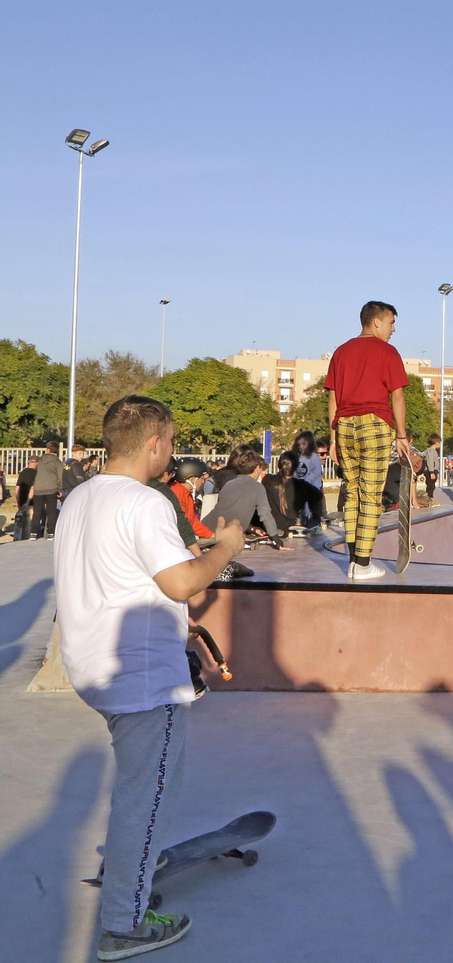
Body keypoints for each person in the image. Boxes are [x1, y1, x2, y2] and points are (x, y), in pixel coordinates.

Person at [55, 395, 246, 961]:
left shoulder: (82, 496)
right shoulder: (146, 502)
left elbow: (117, 571)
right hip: (142, 684)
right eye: (173, 440)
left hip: (93, 666)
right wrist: (228, 550)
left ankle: (123, 864)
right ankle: (124, 924)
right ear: (157, 443)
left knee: (137, 784)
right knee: (150, 796)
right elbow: (184, 582)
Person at [326, 300, 409, 581]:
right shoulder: (387, 351)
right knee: (372, 495)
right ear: (377, 321)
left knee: (352, 493)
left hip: (345, 425)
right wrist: (401, 435)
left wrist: (334, 438)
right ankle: (362, 565)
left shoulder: (341, 351)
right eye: (391, 322)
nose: (393, 329)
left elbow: (333, 398)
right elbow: (397, 395)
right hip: (374, 423)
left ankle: (353, 561)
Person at [203, 452, 283, 541]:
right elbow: (265, 514)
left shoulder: (229, 484)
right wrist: (275, 538)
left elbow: (229, 512)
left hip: (207, 527)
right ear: (257, 468)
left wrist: (251, 528)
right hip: (223, 534)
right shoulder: (257, 487)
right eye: (261, 468)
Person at [290, 431, 325, 529]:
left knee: (312, 510)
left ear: (309, 443)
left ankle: (314, 525)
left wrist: (305, 482)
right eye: (299, 444)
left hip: (312, 490)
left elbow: (316, 473)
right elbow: (294, 471)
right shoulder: (297, 457)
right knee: (300, 510)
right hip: (300, 489)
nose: (301, 447)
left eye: (304, 444)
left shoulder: (314, 458)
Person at [31, 439, 65, 540]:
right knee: (51, 511)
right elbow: (60, 476)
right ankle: (50, 533)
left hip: (39, 488)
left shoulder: (40, 460)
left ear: (47, 449)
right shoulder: (57, 462)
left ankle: (33, 532)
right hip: (51, 488)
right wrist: (60, 488)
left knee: (37, 511)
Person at [262, 451, 301, 533]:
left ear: (279, 465)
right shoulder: (297, 485)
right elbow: (294, 513)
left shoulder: (267, 479)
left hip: (269, 528)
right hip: (290, 529)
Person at [11, 457, 36, 539]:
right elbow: (32, 488)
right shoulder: (37, 473)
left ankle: (18, 537)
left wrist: (18, 501)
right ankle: (27, 538)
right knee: (29, 521)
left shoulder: (23, 472)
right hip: (31, 501)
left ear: (28, 462)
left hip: (22, 500)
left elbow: (17, 488)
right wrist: (27, 502)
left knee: (21, 521)